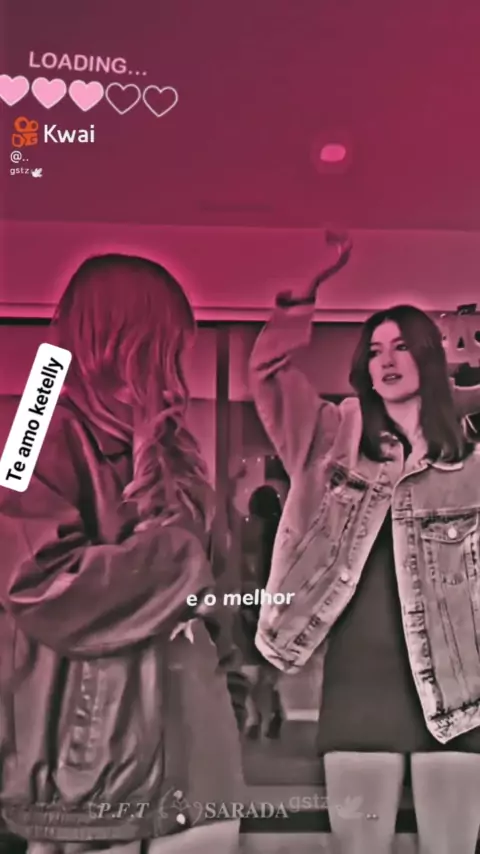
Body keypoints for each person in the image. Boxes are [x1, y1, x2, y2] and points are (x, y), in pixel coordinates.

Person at [0, 254, 247, 854]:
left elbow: (214, 589)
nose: (176, 362)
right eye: (168, 343)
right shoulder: (36, 423)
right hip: (92, 752)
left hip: (193, 730)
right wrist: (176, 558)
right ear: (127, 339)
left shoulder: (170, 440)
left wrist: (231, 677)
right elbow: (35, 582)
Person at [249, 231, 480, 854]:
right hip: (360, 680)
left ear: (428, 357)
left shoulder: (470, 458)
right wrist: (301, 295)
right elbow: (268, 374)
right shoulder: (331, 436)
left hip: (462, 685)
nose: (386, 359)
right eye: (375, 349)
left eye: (402, 345)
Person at [238, 485, 284, 739]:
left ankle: (254, 716)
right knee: (269, 667)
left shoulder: (248, 532)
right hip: (275, 604)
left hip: (251, 601)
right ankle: (274, 709)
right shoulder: (282, 532)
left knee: (250, 665)